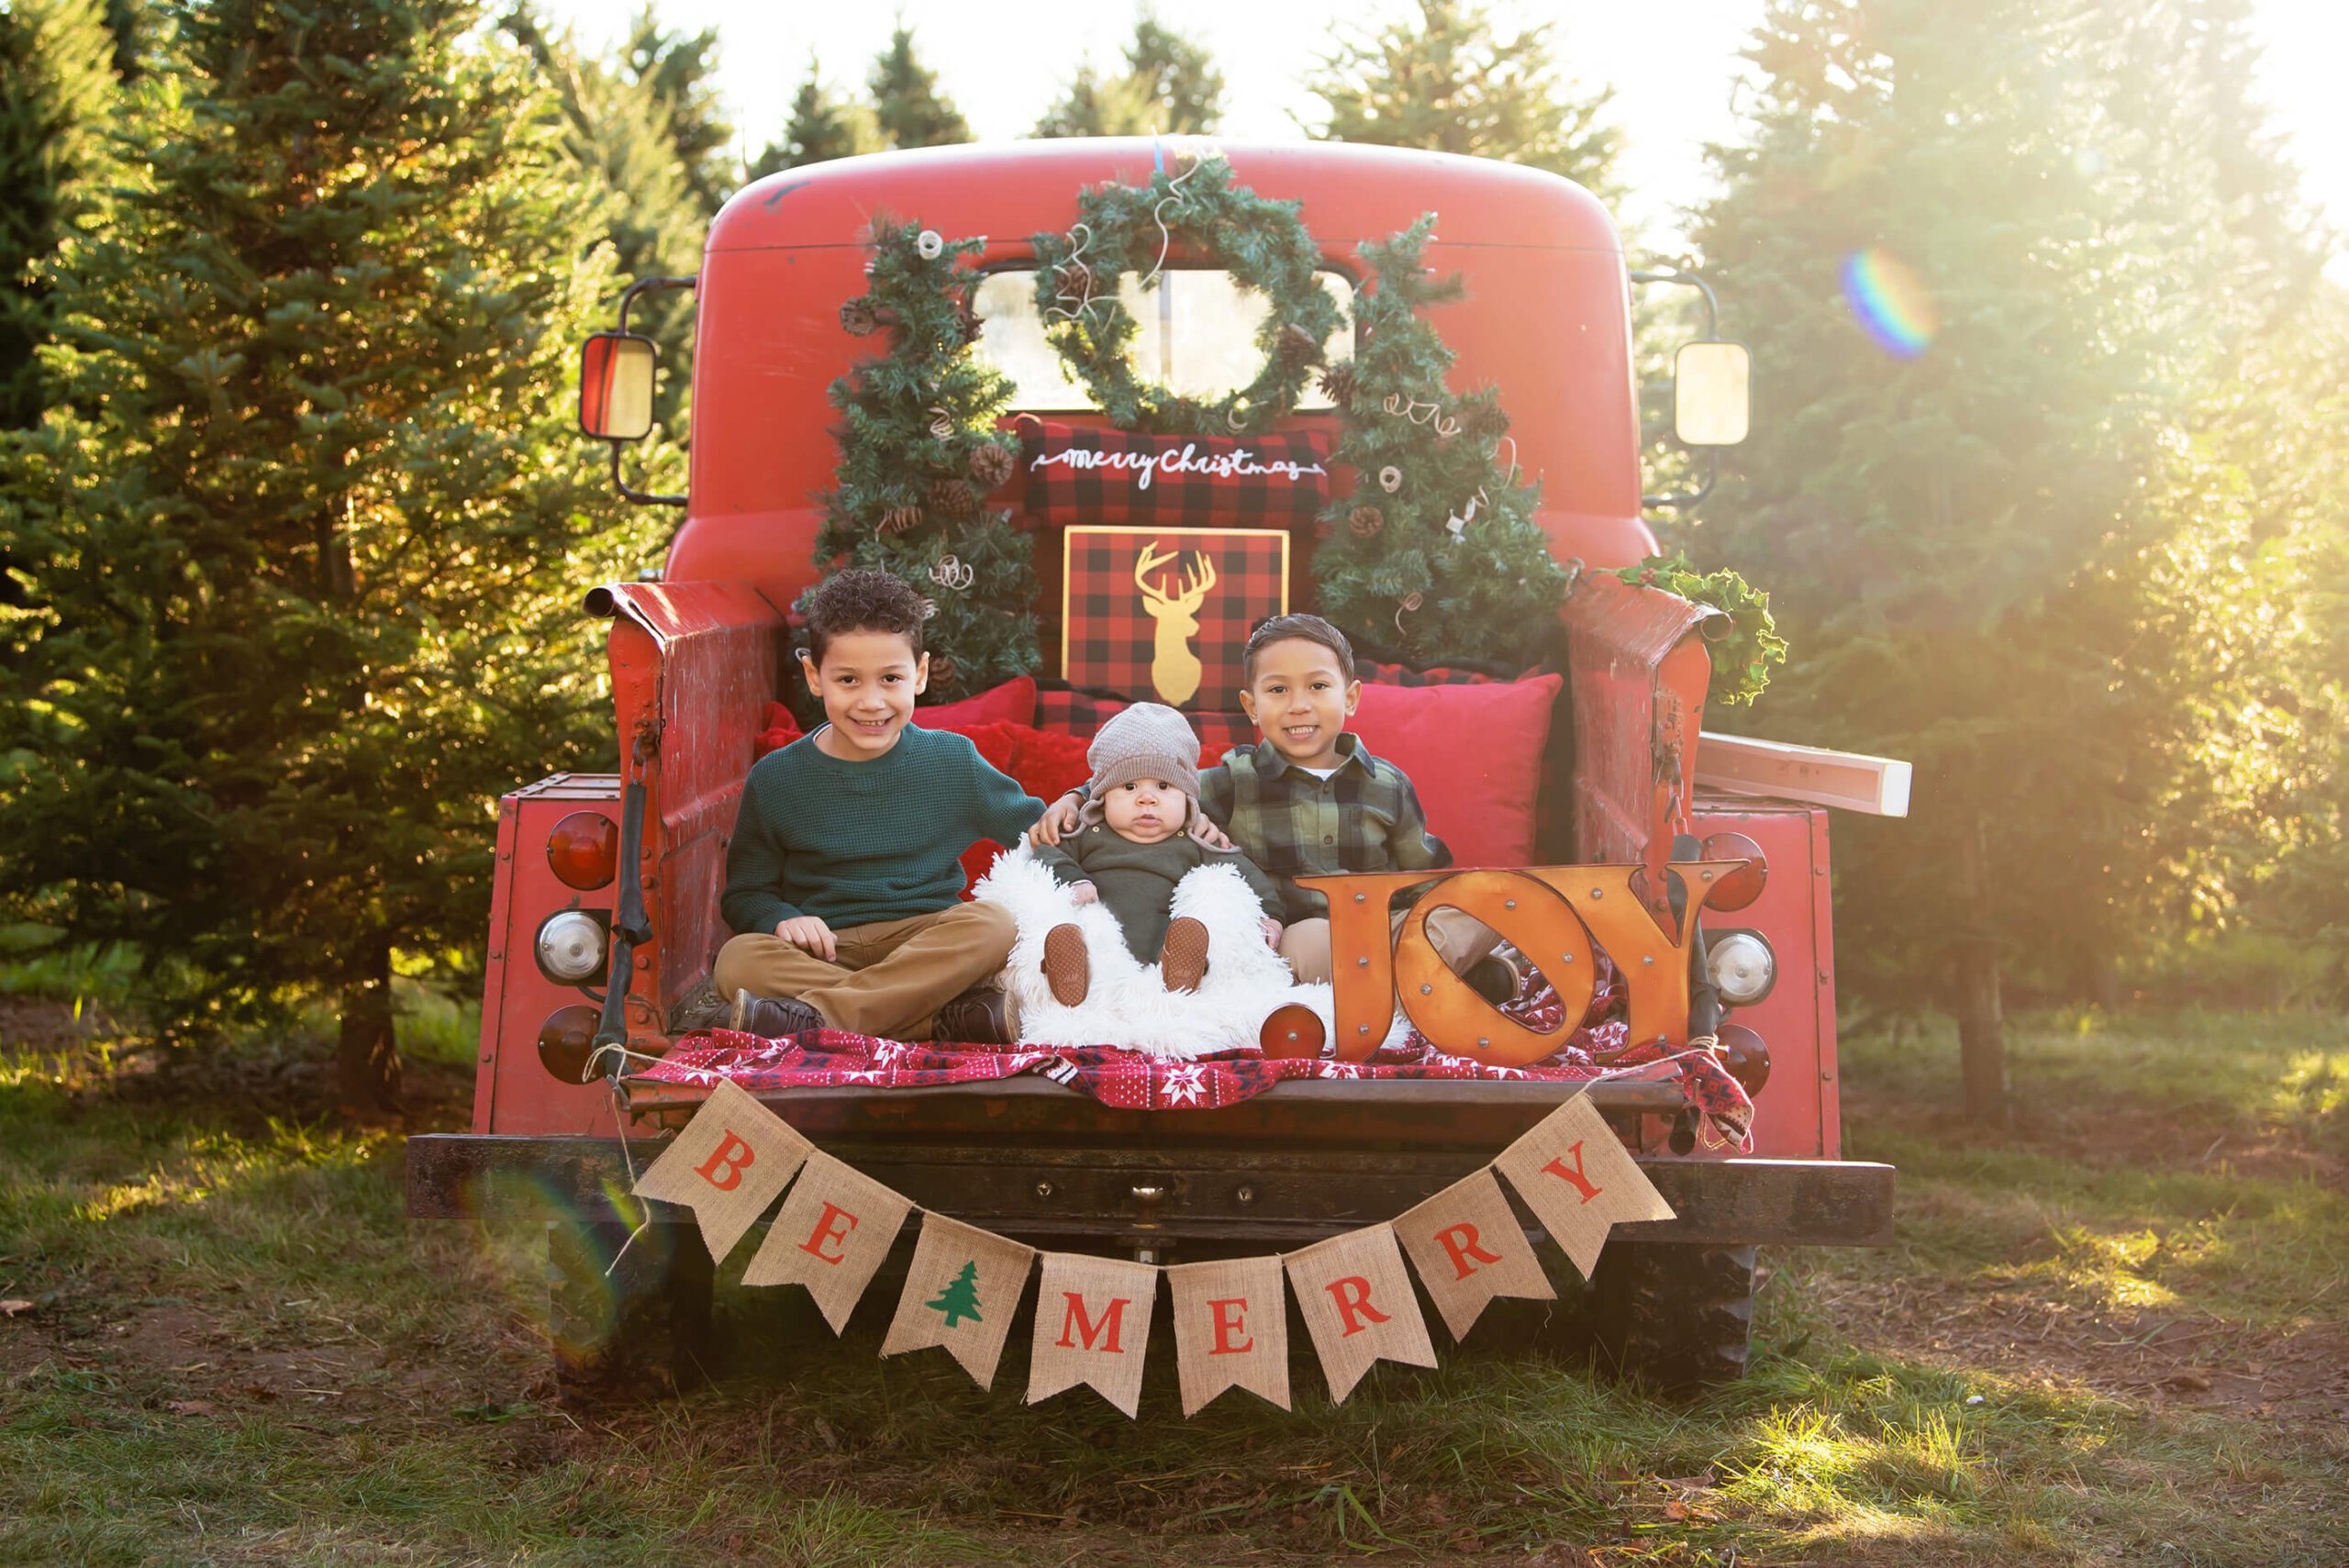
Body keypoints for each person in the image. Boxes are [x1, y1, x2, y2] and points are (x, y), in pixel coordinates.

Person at [1033, 613, 1517, 999]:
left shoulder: (1386, 785)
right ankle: (1438, 981)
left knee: (1494, 898)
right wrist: (1076, 797)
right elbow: (1148, 784)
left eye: (1318, 687)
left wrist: (1449, 915)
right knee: (1305, 945)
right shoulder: (1231, 782)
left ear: (1350, 697)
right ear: (1251, 706)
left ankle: (1421, 970)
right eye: (1278, 689)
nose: (1298, 705)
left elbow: (1425, 876)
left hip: (1384, 925)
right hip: (1302, 941)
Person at [713, 570, 1037, 1043]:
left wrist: (1078, 817)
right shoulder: (777, 779)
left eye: (891, 679)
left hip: (926, 942)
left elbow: (1036, 831)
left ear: (920, 674)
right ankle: (936, 1019)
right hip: (826, 948)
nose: (871, 702)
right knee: (737, 960)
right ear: (814, 677)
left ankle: (820, 1018)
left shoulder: (951, 760)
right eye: (848, 679)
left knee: (993, 924)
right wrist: (781, 918)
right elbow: (745, 894)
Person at [1029, 702, 1286, 1006]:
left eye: (1164, 786)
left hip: (1163, 952)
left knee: (1189, 934)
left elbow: (1244, 873)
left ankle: (1181, 973)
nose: (1147, 799)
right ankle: (1071, 974)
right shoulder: (1087, 831)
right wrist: (1074, 879)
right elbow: (1047, 853)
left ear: (1189, 800)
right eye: (1129, 786)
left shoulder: (1195, 841)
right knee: (1078, 934)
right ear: (1103, 798)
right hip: (1098, 951)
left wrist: (1271, 916)